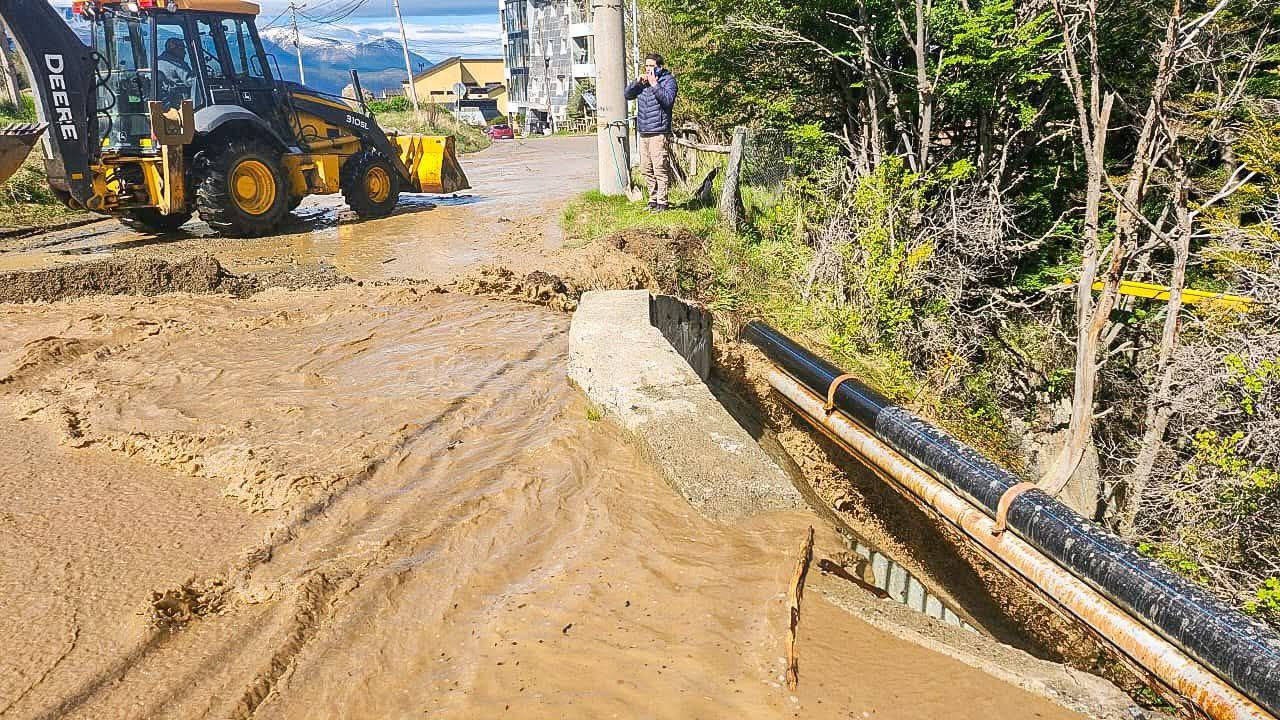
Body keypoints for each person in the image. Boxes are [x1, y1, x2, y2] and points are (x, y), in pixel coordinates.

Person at [625, 52, 678, 212]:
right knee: (646, 168)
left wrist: (655, 84)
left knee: (659, 168)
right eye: (646, 66)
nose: (648, 69)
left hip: (659, 131)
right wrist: (636, 83)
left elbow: (668, 101)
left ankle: (662, 202)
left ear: (660, 67)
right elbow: (627, 95)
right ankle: (653, 199)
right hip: (644, 131)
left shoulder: (668, 80)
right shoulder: (643, 82)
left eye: (652, 66)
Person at [156, 37, 194, 106]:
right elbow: (191, 83)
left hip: (164, 102)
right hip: (180, 103)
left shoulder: (156, 62)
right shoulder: (178, 64)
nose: (185, 53)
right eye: (182, 49)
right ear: (173, 49)